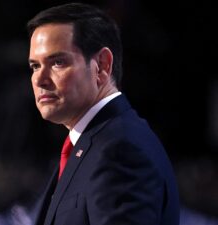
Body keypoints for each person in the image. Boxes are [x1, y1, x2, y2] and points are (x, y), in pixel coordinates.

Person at [26, 2, 180, 225]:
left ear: (102, 65)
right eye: (35, 66)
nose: (40, 80)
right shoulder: (92, 143)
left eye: (58, 62)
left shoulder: (121, 149)